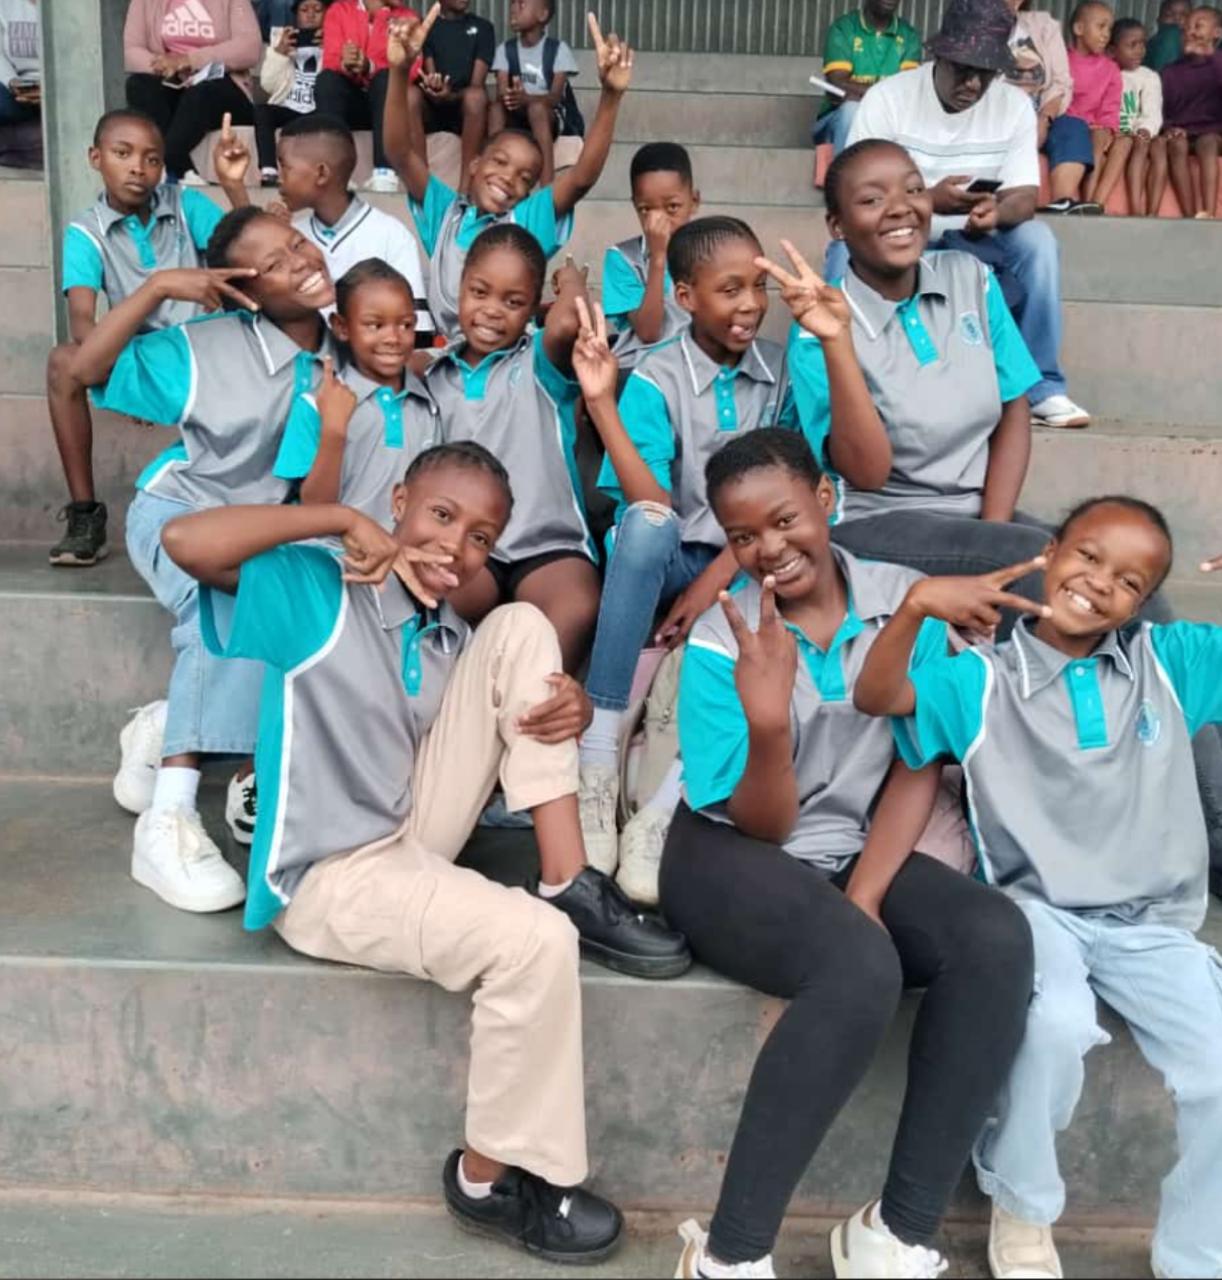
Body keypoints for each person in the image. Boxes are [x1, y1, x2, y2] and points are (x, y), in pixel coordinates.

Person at [158, 450, 687, 1264]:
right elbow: (186, 541)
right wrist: (341, 518)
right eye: (441, 516)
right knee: (534, 943)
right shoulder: (321, 590)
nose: (457, 547)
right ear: (399, 501)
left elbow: (496, 704)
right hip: (330, 876)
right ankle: (486, 1180)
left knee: (523, 626)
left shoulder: (445, 633)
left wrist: (570, 707)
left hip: (409, 828)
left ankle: (567, 879)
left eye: (481, 538)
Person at [662, 428, 1034, 1280]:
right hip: (729, 852)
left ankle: (897, 1232)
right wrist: (767, 726)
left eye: (784, 519)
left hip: (850, 845)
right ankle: (727, 1256)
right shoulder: (723, 637)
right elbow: (761, 824)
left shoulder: (907, 601)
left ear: (826, 499)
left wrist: (865, 895)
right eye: (742, 536)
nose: (768, 548)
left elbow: (916, 760)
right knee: (859, 966)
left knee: (995, 937)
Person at [854, 495, 1222, 1280]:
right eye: (1087, 556)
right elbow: (879, 698)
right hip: (1036, 912)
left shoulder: (1172, 663)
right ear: (1050, 553)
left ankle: (1197, 1250)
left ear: (1143, 603)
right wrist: (916, 607)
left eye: (1129, 581)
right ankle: (1022, 1202)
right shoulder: (982, 678)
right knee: (1053, 1025)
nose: (1100, 582)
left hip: (1153, 924)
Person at [65, 209, 339, 913]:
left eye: (298, 244)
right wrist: (158, 288)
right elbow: (85, 370)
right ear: (246, 288)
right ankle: (169, 817)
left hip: (279, 534)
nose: (300, 261)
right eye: (273, 264)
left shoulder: (352, 340)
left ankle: (174, 725)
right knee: (229, 598)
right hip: (180, 517)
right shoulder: (205, 346)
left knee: (287, 589)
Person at [575, 217, 800, 899]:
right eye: (730, 290)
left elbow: (787, 498)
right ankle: (597, 753)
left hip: (749, 560)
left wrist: (713, 584)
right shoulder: (656, 377)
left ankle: (665, 807)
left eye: (758, 288)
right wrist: (601, 403)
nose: (750, 305)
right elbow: (650, 505)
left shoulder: (781, 372)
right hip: (673, 552)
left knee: (776, 575)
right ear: (685, 296)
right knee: (641, 526)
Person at [843, 0, 1092, 429]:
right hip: (896, 230)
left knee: (1038, 242)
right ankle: (846, 386)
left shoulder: (1013, 105)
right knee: (839, 255)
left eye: (986, 73)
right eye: (963, 70)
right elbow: (855, 195)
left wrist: (996, 212)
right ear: (938, 57)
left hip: (975, 236)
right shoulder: (889, 98)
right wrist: (926, 201)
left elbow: (1025, 196)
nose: (974, 84)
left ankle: (1041, 387)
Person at [46, 108, 250, 569]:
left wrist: (235, 188)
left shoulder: (186, 205)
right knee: (64, 362)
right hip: (147, 357)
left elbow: (247, 257)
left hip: (212, 351)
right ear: (96, 157)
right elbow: (83, 325)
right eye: (123, 154)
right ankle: (84, 516)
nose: (138, 168)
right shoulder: (86, 232)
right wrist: (128, 373)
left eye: (152, 159)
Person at [385, 5, 632, 338]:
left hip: (511, 356)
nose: (509, 177)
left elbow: (581, 178)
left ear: (528, 193)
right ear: (475, 165)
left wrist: (611, 96)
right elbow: (400, 154)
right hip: (450, 356)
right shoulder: (446, 213)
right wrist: (399, 71)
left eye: (525, 177)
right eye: (499, 162)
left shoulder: (525, 220)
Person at [424, 225, 600, 675]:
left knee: (576, 605)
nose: (491, 310)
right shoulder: (433, 375)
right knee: (436, 596)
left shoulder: (538, 359)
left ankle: (535, 705)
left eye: (513, 301)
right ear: (460, 287)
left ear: (534, 307)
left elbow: (569, 321)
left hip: (547, 541)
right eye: (479, 292)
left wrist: (570, 281)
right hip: (467, 543)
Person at [274, 259, 439, 525]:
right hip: (334, 549)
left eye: (406, 325)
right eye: (375, 325)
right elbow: (314, 509)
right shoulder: (315, 404)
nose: (393, 338)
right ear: (341, 327)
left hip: (403, 549)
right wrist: (334, 432)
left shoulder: (428, 403)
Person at [274, 113, 433, 338]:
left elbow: (415, 333)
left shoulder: (392, 235)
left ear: (321, 173)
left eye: (284, 167)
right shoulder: (292, 236)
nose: (278, 178)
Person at [123, 0, 262, 183]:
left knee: (201, 93)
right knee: (139, 85)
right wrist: (167, 67)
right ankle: (180, 168)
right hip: (170, 80)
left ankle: (169, 160)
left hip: (221, 84)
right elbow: (132, 51)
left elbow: (249, 47)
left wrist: (190, 60)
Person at [601, 141, 701, 375]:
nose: (659, 221)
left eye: (672, 207)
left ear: (694, 202)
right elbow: (648, 332)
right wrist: (658, 258)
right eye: (646, 209)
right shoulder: (623, 258)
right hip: (640, 369)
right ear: (634, 205)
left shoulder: (711, 254)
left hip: (696, 367)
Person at [1004, 0, 1101, 214]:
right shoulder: (977, 26)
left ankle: (1062, 202)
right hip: (1001, 111)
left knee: (1072, 127)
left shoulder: (1043, 25)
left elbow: (1061, 81)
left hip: (1041, 108)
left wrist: (1044, 119)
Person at [315, 0, 419, 194]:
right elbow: (330, 60)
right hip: (352, 104)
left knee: (387, 77)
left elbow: (412, 70)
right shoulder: (340, 10)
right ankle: (336, 172)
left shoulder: (408, 18)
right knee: (327, 80)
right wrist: (345, 63)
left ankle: (385, 173)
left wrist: (369, 66)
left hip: (386, 105)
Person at [812, 0, 922, 155]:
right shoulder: (843, 29)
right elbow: (838, 83)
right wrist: (888, 96)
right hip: (836, 121)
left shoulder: (908, 35)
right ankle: (848, 170)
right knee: (852, 110)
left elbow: (907, 90)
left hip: (888, 120)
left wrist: (861, 94)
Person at [489, 0, 580, 187]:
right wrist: (512, 96)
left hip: (547, 117)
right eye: (512, 3)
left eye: (522, 4)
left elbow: (555, 97)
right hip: (516, 113)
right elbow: (502, 93)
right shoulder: (505, 50)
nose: (514, 8)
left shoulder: (557, 49)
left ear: (542, 15)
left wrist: (527, 99)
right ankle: (491, 166)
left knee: (537, 108)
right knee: (496, 108)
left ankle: (546, 184)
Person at [418, 0, 495, 193]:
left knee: (476, 97)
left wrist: (450, 96)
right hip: (433, 106)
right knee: (410, 95)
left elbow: (477, 84)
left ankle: (465, 189)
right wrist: (435, 88)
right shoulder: (427, 27)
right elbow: (430, 75)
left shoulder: (483, 28)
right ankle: (421, 182)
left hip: (464, 109)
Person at [254, 0, 327, 185]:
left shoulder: (335, 40)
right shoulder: (283, 41)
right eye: (304, 9)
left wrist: (330, 46)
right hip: (289, 107)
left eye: (317, 10)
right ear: (296, 15)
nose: (311, 14)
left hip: (319, 109)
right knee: (262, 111)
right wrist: (279, 53)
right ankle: (269, 170)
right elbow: (267, 84)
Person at [1065, 1, 1129, 206]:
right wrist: (1086, 125)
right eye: (1100, 27)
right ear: (1079, 29)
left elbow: (1111, 107)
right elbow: (1060, 99)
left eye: (1109, 29)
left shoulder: (1111, 69)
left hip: (1099, 128)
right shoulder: (1063, 61)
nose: (1106, 35)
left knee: (1124, 141)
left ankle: (1097, 203)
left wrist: (1107, 127)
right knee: (1096, 137)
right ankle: (1087, 201)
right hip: (1071, 124)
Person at [1162, 5, 1222, 217]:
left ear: (1217, 33)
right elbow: (1162, 112)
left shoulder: (1219, 64)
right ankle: (1190, 217)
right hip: (1183, 134)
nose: (1191, 32)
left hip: (1214, 134)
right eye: (1186, 28)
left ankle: (1209, 214)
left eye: (1198, 26)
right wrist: (1169, 128)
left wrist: (1210, 56)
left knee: (1207, 142)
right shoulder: (1169, 72)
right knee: (1177, 144)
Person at [1111, 17, 1168, 214]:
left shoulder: (1149, 77)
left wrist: (1145, 129)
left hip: (1142, 134)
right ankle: (1136, 210)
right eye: (1132, 45)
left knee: (1157, 146)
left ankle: (1152, 212)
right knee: (1137, 144)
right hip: (1118, 135)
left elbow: (1153, 111)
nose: (1139, 50)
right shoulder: (1109, 73)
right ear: (1113, 50)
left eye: (1142, 44)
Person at [1146, 0, 1190, 70]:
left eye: (1184, 14)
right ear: (1158, 21)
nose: (1177, 19)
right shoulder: (1168, 36)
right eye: (1169, 15)